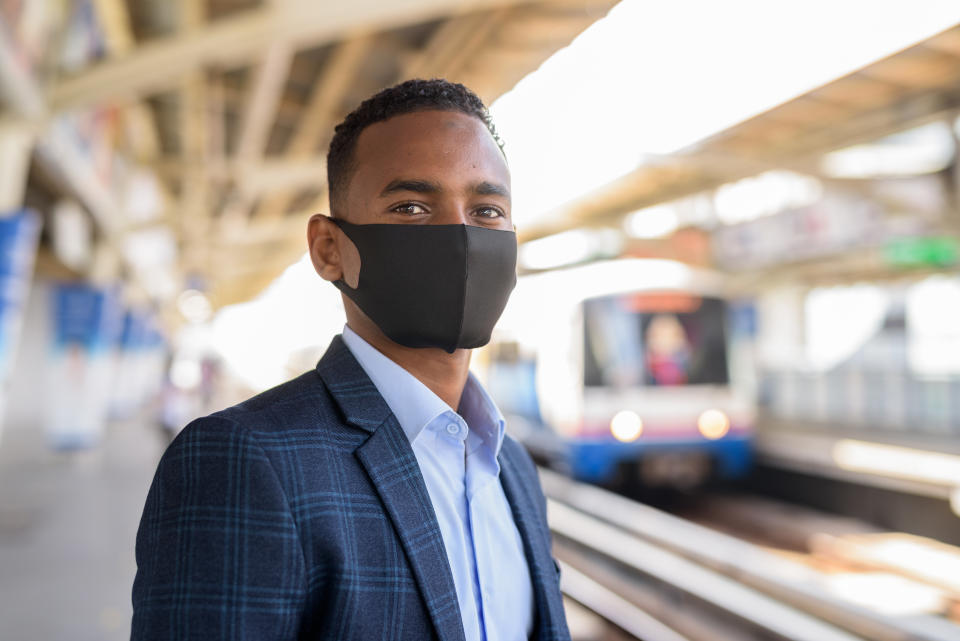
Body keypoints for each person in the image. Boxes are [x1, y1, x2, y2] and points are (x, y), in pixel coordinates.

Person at [131, 79, 570, 641]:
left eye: (486, 209)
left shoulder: (513, 466)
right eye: (411, 207)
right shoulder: (243, 461)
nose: (460, 235)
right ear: (328, 249)